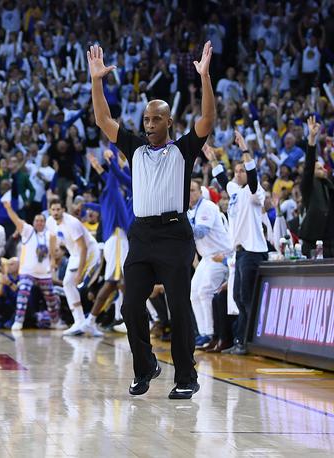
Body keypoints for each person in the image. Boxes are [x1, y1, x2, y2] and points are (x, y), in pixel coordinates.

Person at [88, 42, 215, 399]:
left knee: (179, 306)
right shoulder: (135, 148)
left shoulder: (182, 149)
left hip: (175, 234)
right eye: (146, 119)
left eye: (156, 118)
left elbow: (207, 120)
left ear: (169, 122)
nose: (149, 123)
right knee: (130, 306)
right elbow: (103, 120)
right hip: (142, 234)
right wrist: (97, 81)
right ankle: (146, 367)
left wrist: (204, 77)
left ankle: (186, 378)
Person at [209, 130, 267, 355]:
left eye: (242, 170)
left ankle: (249, 342)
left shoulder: (255, 192)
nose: (239, 173)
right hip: (240, 252)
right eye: (238, 171)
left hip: (253, 251)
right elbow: (222, 179)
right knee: (236, 297)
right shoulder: (234, 192)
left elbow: (253, 176)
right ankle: (240, 340)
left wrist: (244, 150)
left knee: (246, 297)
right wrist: (212, 157)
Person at [82, 150, 133, 337]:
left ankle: (92, 320)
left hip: (120, 239)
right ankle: (127, 320)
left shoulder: (116, 196)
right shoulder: (115, 192)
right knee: (117, 281)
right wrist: (113, 160)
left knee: (118, 282)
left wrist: (103, 166)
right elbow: (116, 177)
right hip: (119, 238)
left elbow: (118, 179)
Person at [1, 200, 63, 331]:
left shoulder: (50, 235)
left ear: (45, 223)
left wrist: (55, 260)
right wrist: (8, 209)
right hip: (27, 271)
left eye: (42, 220)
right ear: (33, 222)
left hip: (44, 273)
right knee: (23, 294)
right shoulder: (28, 230)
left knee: (51, 298)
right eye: (37, 220)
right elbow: (16, 220)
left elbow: (54, 253)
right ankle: (18, 322)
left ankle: (55, 322)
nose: (39, 222)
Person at [187, 177, 231, 350]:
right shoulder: (190, 211)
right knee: (193, 292)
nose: (190, 194)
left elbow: (200, 232)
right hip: (207, 257)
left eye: (193, 190)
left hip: (220, 255)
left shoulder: (208, 207)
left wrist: (179, 223)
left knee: (205, 291)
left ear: (201, 192)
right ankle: (203, 333)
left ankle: (212, 334)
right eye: (188, 191)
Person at [46, 198, 102, 336]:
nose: (56, 212)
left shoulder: (72, 223)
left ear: (63, 210)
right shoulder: (50, 221)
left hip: (90, 252)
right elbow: (52, 239)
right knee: (68, 284)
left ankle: (86, 322)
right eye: (53, 209)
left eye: (58, 209)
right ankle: (82, 322)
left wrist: (80, 273)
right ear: (49, 210)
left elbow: (83, 248)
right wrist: (52, 258)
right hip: (75, 254)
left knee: (78, 285)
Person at [300, 116, 334, 257]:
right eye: (319, 168)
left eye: (323, 168)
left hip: (330, 242)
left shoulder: (330, 186)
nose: (324, 170)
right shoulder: (309, 185)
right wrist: (312, 139)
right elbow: (308, 166)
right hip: (312, 242)